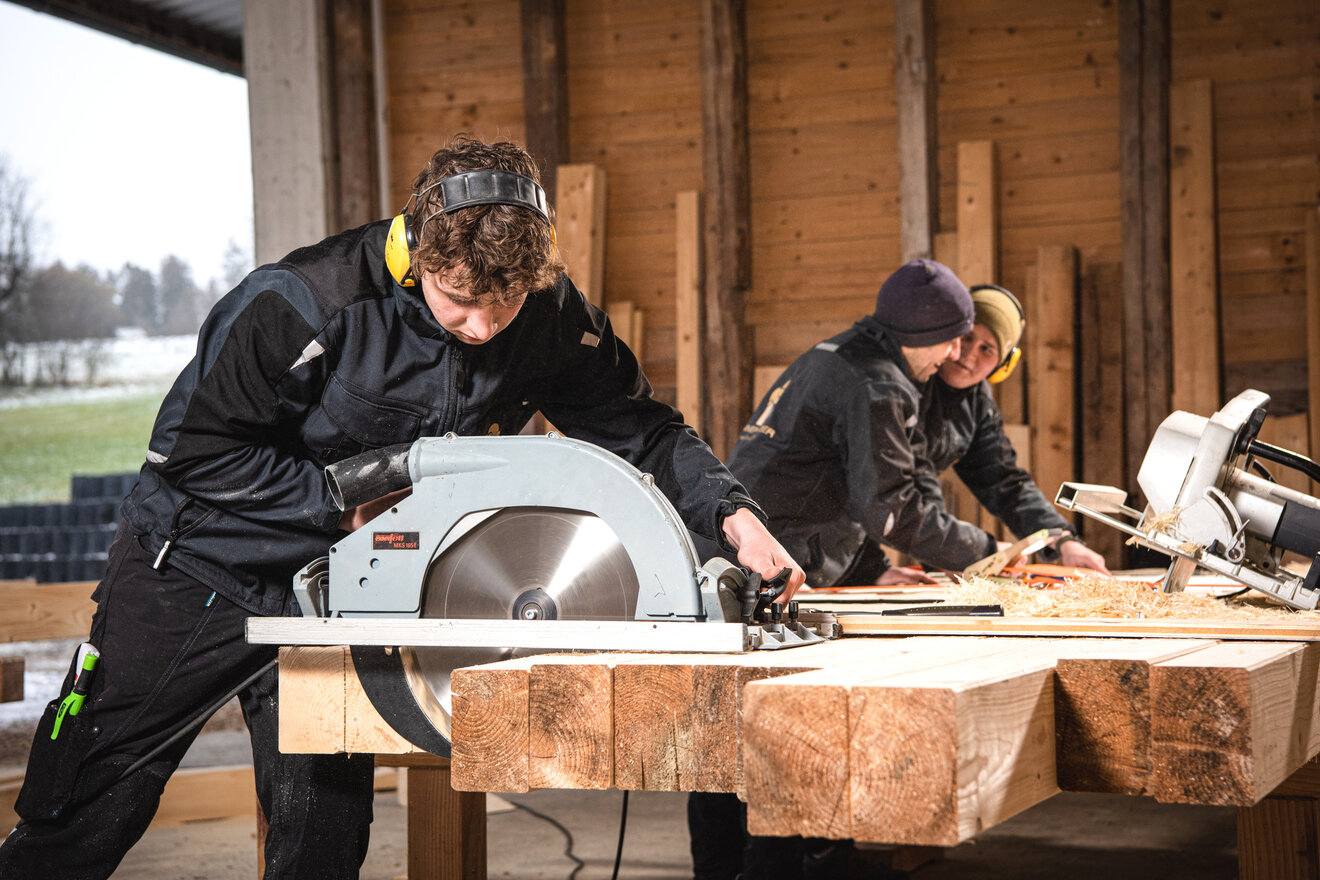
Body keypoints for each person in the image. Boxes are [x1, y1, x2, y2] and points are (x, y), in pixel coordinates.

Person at [0, 135, 803, 880]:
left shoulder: (546, 319)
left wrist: (735, 516)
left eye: (505, 303)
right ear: (417, 254)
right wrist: (338, 501)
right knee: (92, 806)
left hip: (338, 591)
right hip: (199, 568)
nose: (483, 326)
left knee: (323, 833)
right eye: (460, 299)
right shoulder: (305, 302)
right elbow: (194, 456)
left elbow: (645, 431)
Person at [923, 283, 1108, 574]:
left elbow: (1004, 483)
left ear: (1003, 365)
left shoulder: (976, 405)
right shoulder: (909, 386)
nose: (968, 356)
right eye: (967, 338)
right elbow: (894, 491)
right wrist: (969, 549)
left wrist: (1062, 539)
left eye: (987, 349)